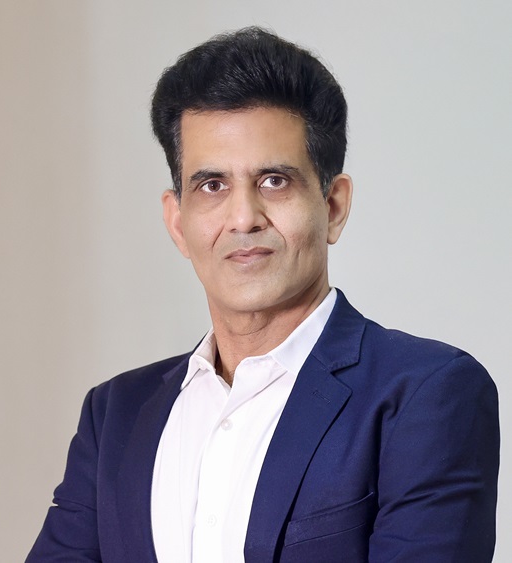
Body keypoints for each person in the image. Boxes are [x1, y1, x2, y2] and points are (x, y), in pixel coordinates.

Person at [27, 27, 500, 562]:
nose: (243, 218)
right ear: (177, 222)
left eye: (274, 180)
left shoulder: (425, 396)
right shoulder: (115, 415)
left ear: (334, 206)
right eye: (212, 185)